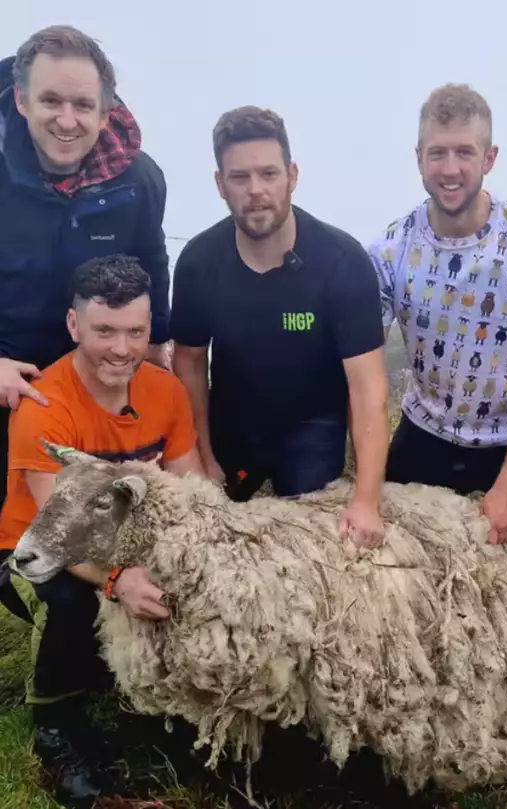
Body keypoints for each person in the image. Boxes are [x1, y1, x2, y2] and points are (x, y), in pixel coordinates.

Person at [0, 255, 202, 805]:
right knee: (72, 603)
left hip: (127, 536)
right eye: (104, 331)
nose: (121, 348)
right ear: (74, 326)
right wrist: (117, 582)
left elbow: (192, 490)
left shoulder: (165, 392)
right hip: (36, 546)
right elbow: (60, 535)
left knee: (191, 587)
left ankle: (162, 704)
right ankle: (56, 722)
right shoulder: (45, 407)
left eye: (135, 332)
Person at [169, 106, 389, 547]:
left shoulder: (341, 262)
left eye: (269, 174)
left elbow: (368, 389)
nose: (256, 191)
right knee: (217, 550)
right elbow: (189, 364)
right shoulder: (198, 262)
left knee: (307, 552)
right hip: (232, 427)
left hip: (312, 428)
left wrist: (367, 500)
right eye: (240, 177)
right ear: (220, 184)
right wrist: (203, 457)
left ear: (292, 175)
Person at [368, 83, 507, 546]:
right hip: (426, 437)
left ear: (489, 157)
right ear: (419, 157)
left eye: (465, 151)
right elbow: (368, 372)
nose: (451, 168)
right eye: (437, 153)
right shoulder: (388, 251)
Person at [0, 25, 173, 520]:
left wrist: (155, 344)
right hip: (11, 369)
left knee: (91, 522)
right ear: (22, 99)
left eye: (82, 105)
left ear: (106, 110)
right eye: (51, 101)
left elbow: (152, 263)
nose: (67, 120)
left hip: (91, 377)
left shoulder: (139, 179)